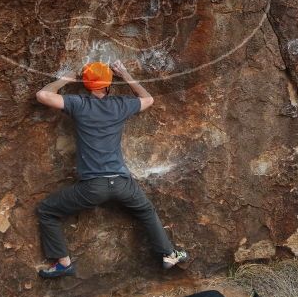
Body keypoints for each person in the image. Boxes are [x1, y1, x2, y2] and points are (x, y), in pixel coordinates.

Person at [34, 60, 188, 278]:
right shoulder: (120, 105)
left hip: (93, 187)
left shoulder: (79, 104)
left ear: (86, 85)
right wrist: (125, 74)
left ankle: (63, 263)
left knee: (47, 211)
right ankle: (169, 254)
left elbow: (43, 95)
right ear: (108, 84)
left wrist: (65, 79)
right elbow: (148, 99)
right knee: (146, 211)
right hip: (123, 183)